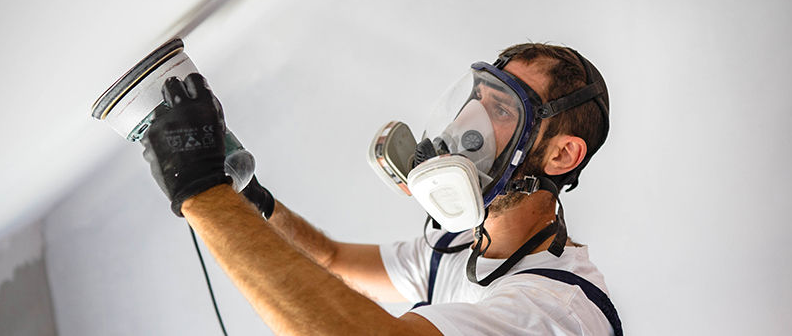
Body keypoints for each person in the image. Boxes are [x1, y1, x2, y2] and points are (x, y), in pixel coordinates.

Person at [141, 43, 621, 335]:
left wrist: (201, 191)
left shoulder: (560, 313)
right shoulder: (457, 246)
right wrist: (252, 198)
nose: (465, 126)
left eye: (500, 111)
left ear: (561, 156)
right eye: (477, 99)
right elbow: (329, 261)